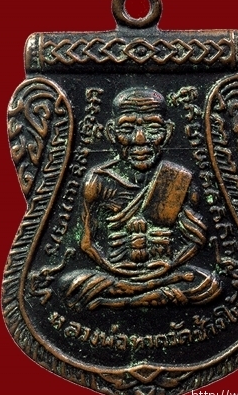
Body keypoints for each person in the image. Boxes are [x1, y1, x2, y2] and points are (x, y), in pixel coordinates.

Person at [60, 87, 220, 310]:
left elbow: (196, 240)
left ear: (168, 132)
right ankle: (144, 294)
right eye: (127, 128)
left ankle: (119, 300)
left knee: (210, 284)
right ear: (111, 132)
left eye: (152, 128)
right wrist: (112, 268)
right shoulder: (98, 180)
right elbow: (86, 243)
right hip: (116, 273)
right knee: (69, 285)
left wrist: (170, 266)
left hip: (165, 273)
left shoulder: (177, 178)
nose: (140, 139)